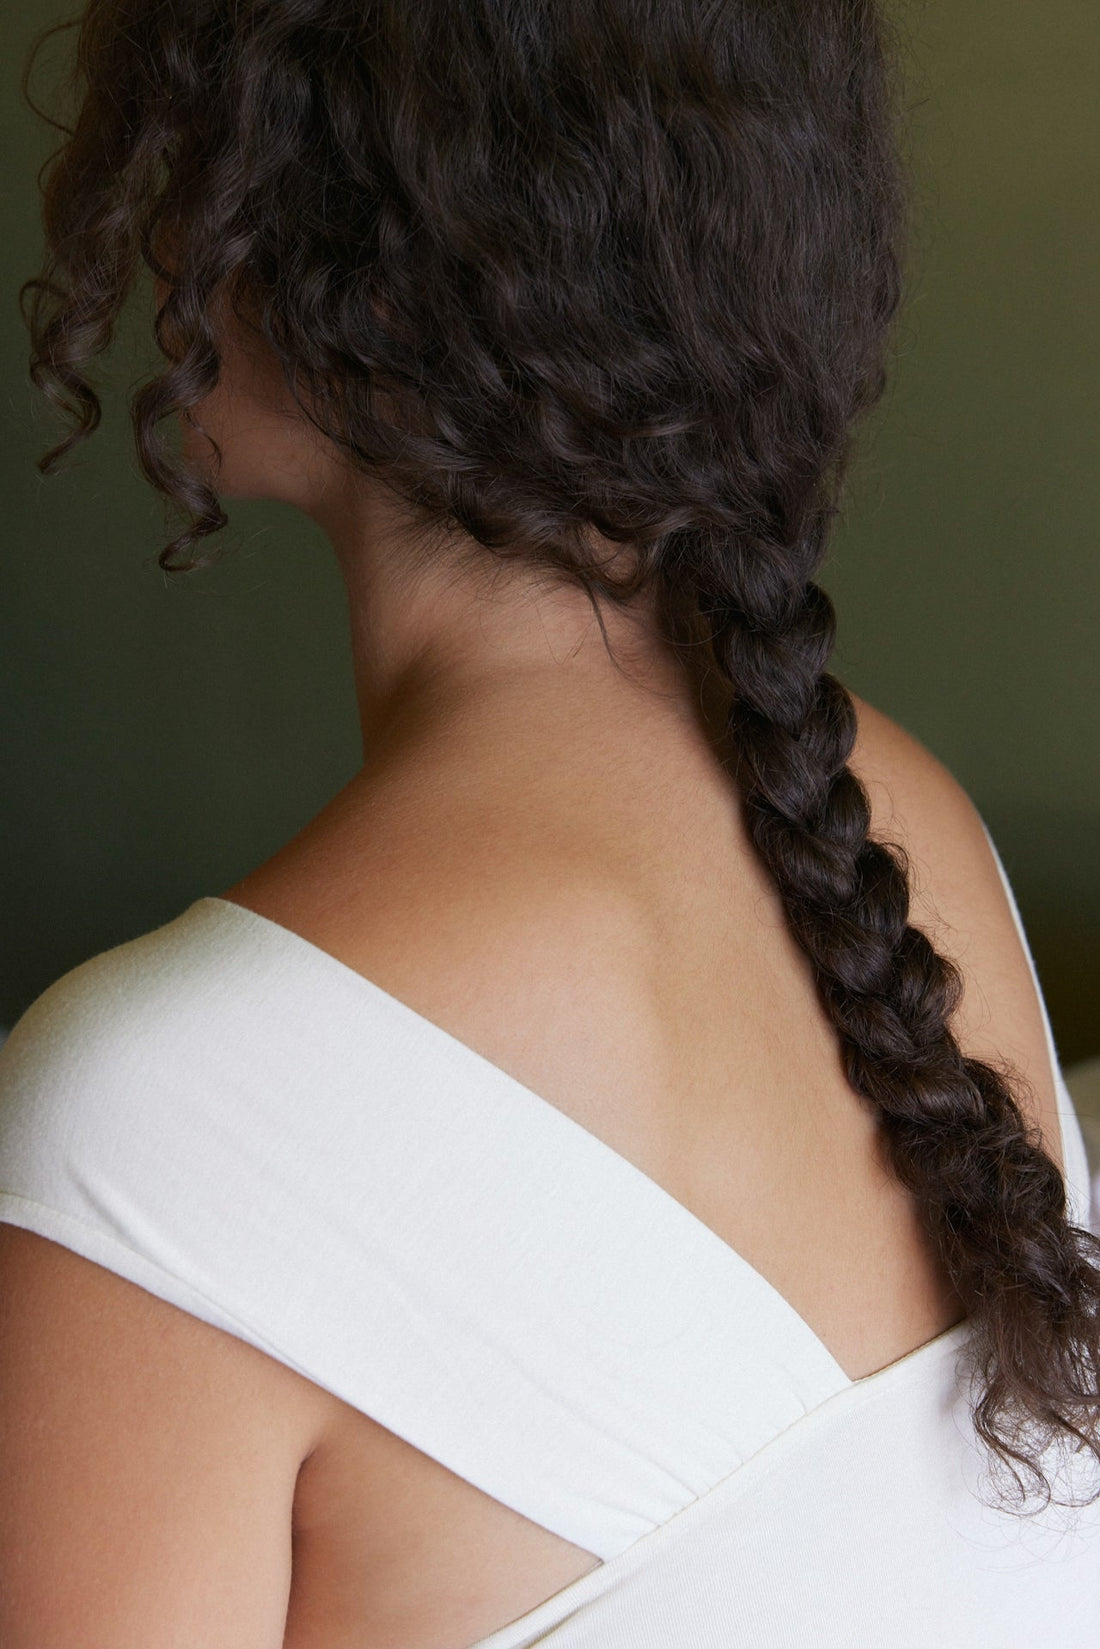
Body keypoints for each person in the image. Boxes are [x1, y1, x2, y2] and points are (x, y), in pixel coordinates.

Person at [1, 2, 1098, 1644]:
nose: (154, 207)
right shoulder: (899, 824)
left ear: (367, 251)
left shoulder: (145, 1128)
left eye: (208, 129)